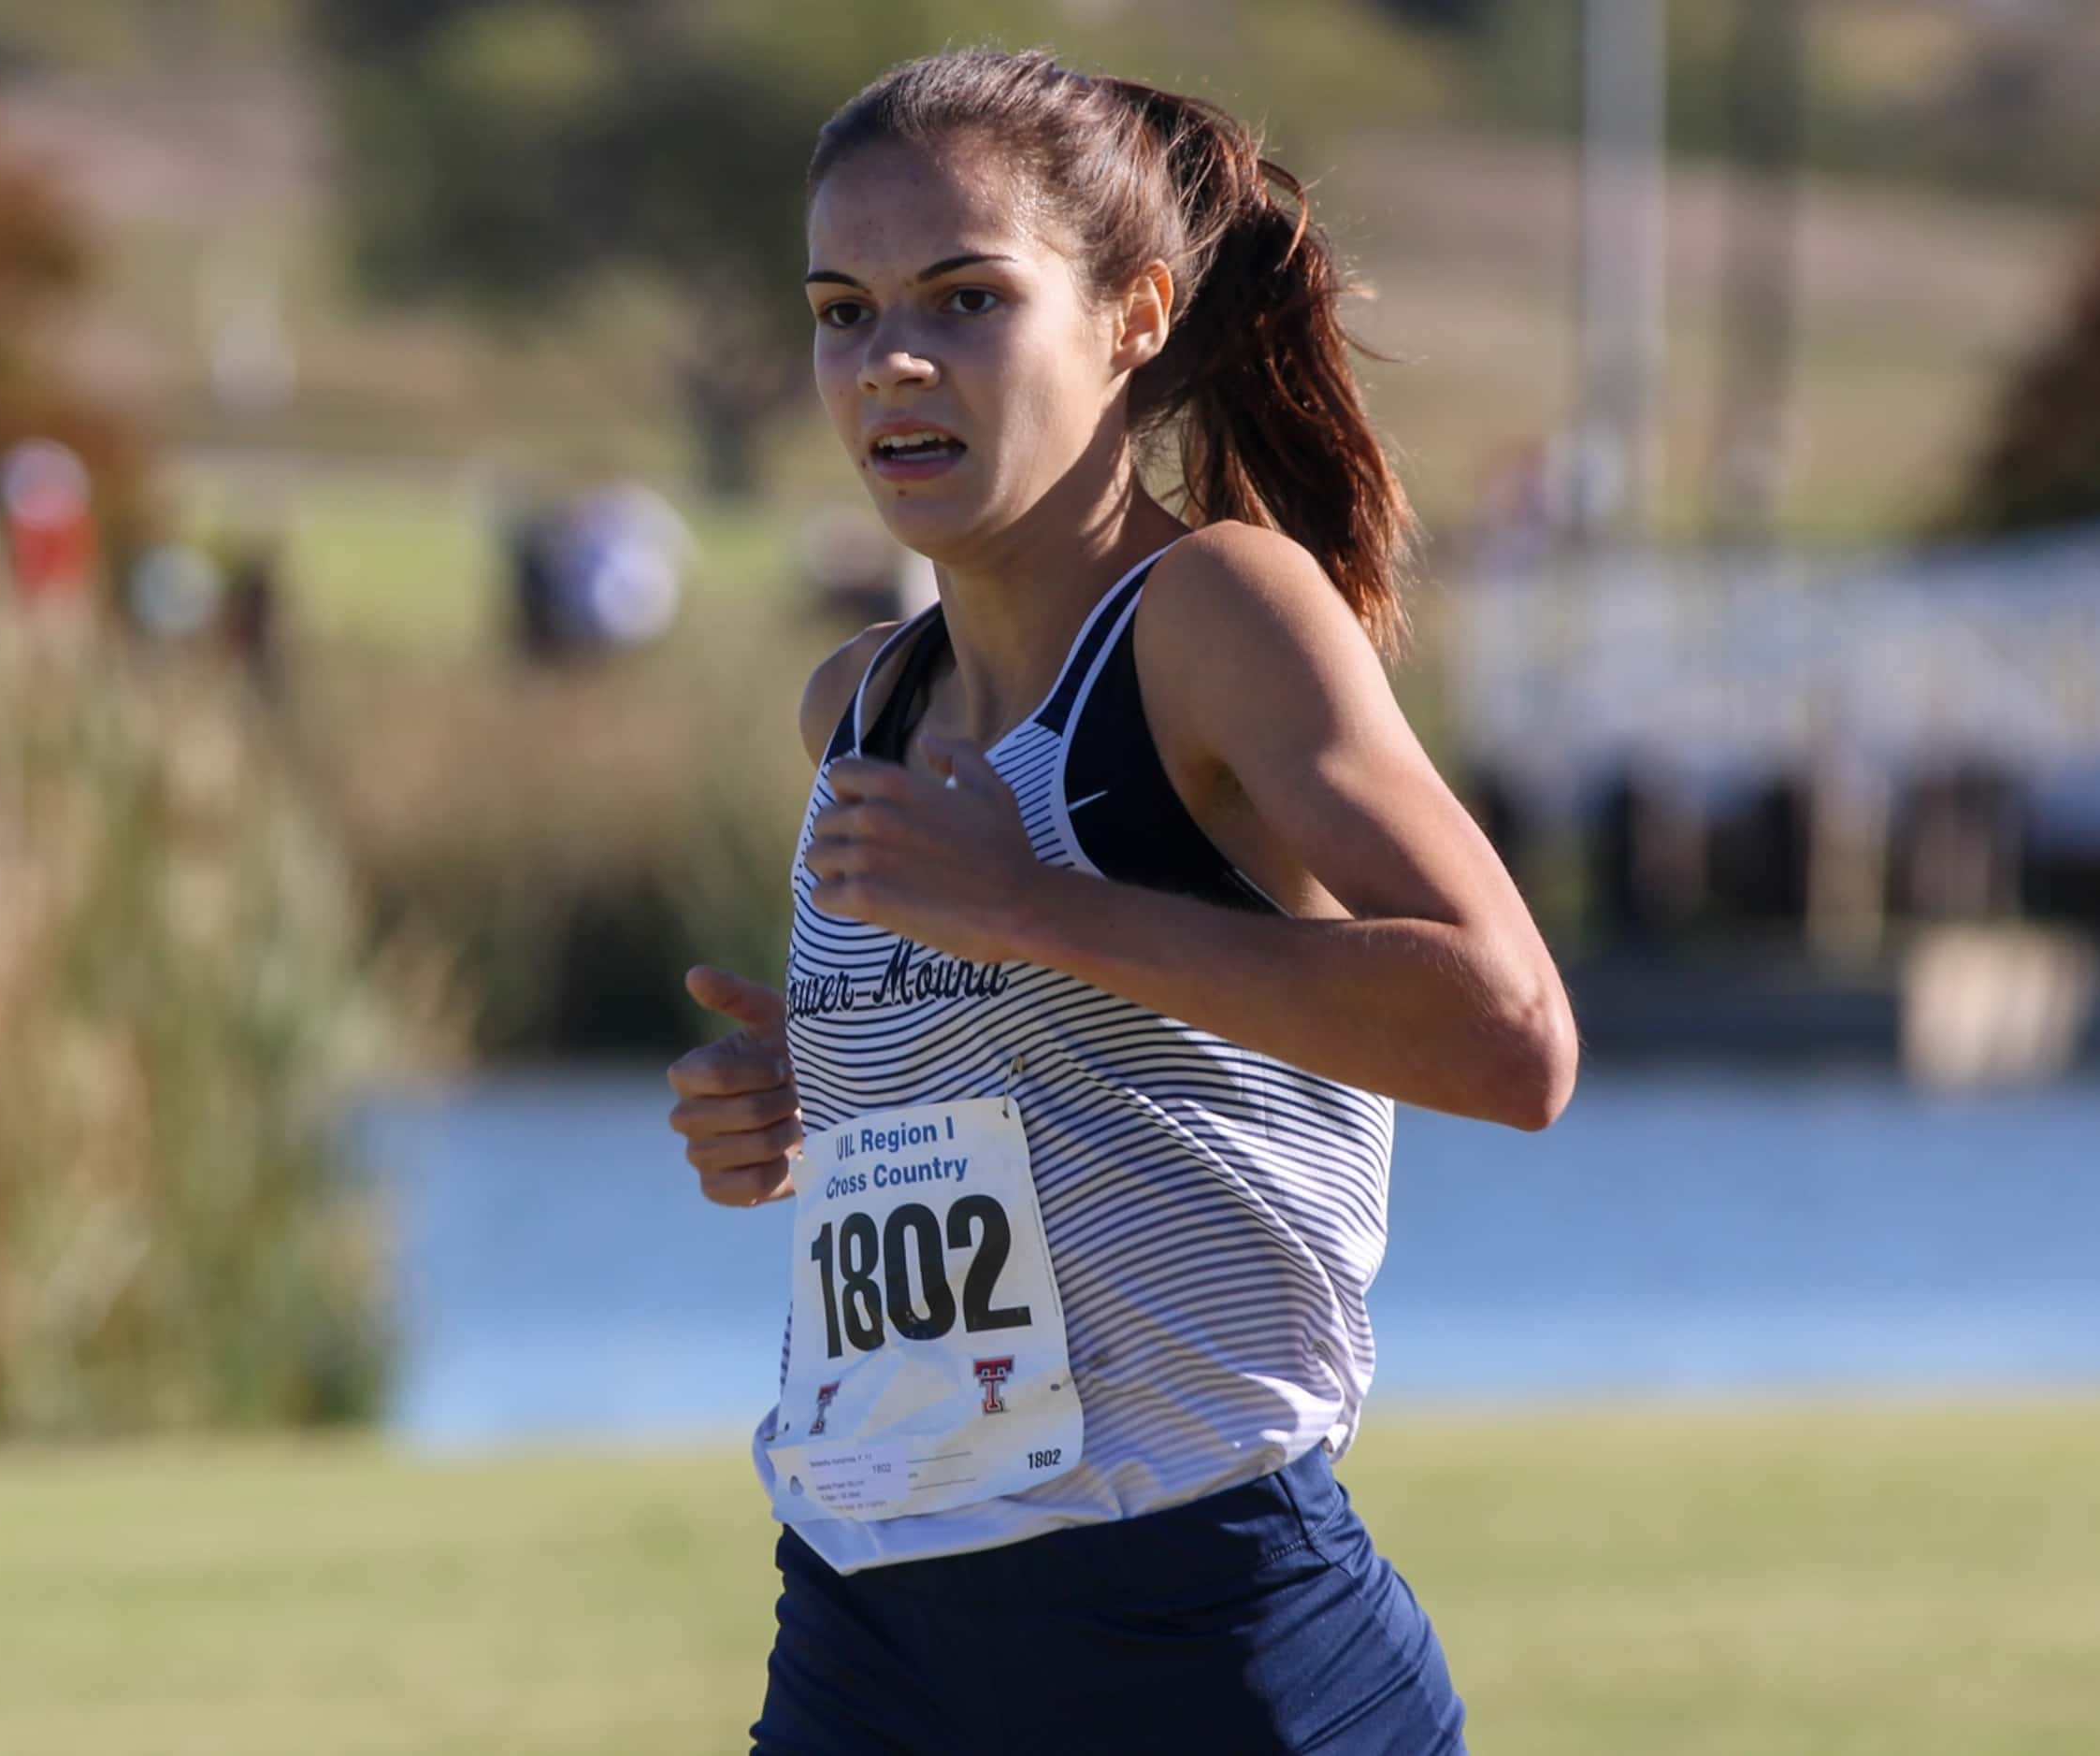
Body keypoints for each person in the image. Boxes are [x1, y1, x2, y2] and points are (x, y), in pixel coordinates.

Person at [663, 49, 1577, 1755]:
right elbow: (1054, 1060)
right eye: (842, 311)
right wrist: (825, 1085)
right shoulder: (856, 703)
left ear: (1134, 314)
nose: (893, 361)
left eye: (966, 297)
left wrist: (1033, 916)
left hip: (1197, 1620)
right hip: (870, 1620)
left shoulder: (1213, 617)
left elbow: (1512, 1035)